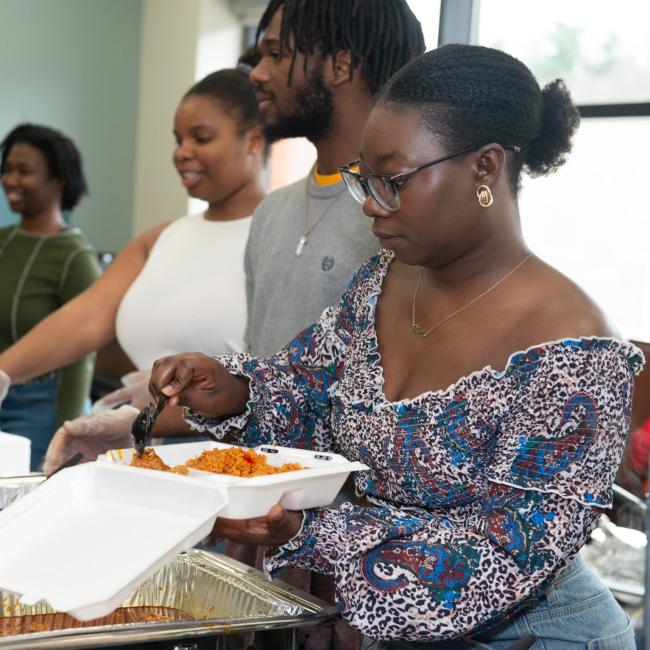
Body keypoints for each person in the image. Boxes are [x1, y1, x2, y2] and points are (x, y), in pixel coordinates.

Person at [147, 45, 643, 648]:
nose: (372, 206)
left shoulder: (576, 346)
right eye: (364, 180)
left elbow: (505, 553)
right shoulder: (385, 282)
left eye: (394, 180)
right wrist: (231, 390)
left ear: (484, 167)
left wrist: (311, 530)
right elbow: (309, 390)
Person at [0, 66, 267, 472]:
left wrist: (156, 416)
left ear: (253, 140)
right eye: (179, 140)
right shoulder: (160, 238)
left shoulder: (277, 238)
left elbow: (281, 381)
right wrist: (4, 371)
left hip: (228, 467)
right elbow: (86, 318)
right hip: (139, 454)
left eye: (202, 137)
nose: (182, 152)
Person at [244, 0, 425, 356]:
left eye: (277, 54)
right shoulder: (270, 212)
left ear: (340, 66)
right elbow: (253, 364)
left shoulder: (398, 214)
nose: (257, 73)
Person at [0, 124, 101, 469]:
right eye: (7, 169)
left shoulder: (74, 257)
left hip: (37, 408)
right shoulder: (4, 239)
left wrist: (70, 433)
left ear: (58, 179)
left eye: (24, 171)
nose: (11, 180)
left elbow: (81, 354)